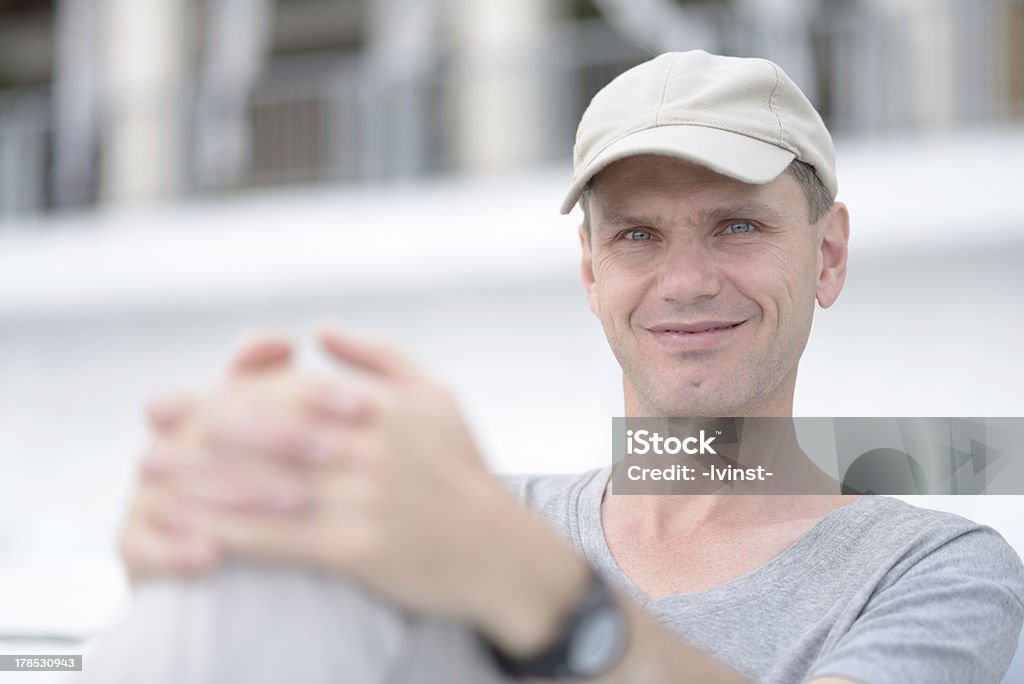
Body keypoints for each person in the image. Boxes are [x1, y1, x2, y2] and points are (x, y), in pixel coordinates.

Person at [84, 50, 1023, 684]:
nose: (685, 281)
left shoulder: (936, 571)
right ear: (592, 272)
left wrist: (561, 609)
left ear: (827, 255)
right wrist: (203, 536)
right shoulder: (480, 523)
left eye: (736, 224)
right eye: (638, 235)